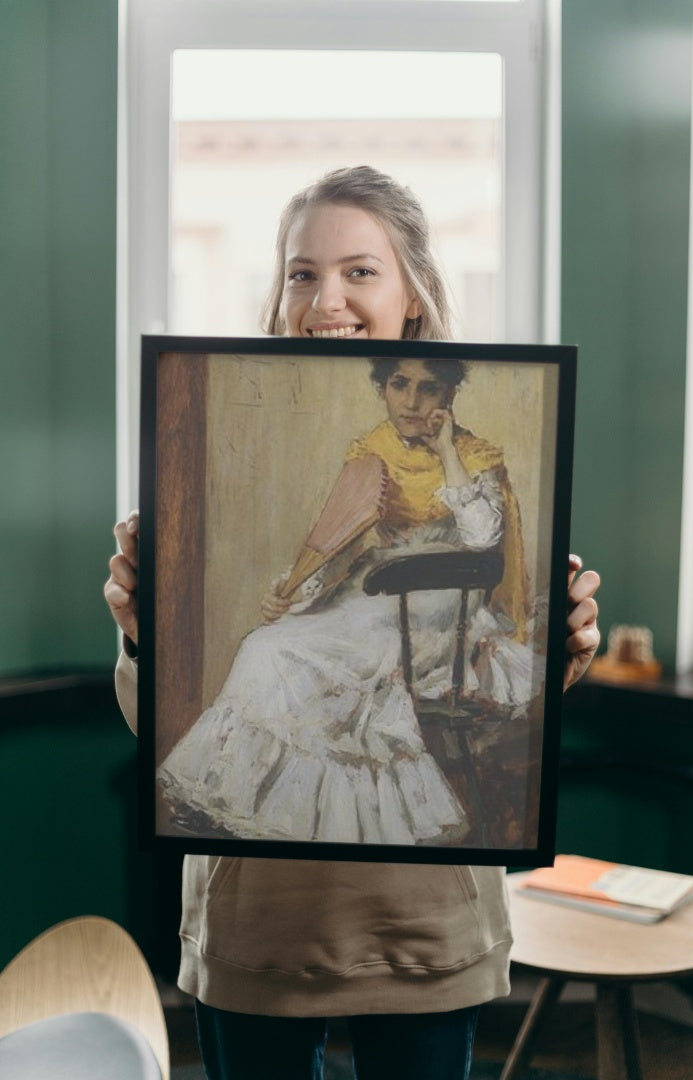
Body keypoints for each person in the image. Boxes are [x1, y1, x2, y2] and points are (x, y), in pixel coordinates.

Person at [105, 166, 601, 1080]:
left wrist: (561, 644)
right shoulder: (361, 447)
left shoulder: (482, 449)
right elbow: (333, 538)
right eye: (301, 272)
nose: (324, 298)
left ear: (412, 293)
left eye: (359, 272)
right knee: (274, 646)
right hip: (258, 925)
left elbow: (503, 570)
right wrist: (150, 636)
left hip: (421, 922)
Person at [156, 352, 536, 847]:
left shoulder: (474, 456)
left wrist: (446, 452)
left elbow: (484, 540)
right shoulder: (371, 451)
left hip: (442, 606)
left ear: (449, 396)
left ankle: (352, 826)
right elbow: (343, 542)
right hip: (377, 591)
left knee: (347, 656)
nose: (412, 400)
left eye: (428, 388)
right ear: (383, 388)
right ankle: (252, 807)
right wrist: (294, 591)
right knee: (268, 644)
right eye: (400, 384)